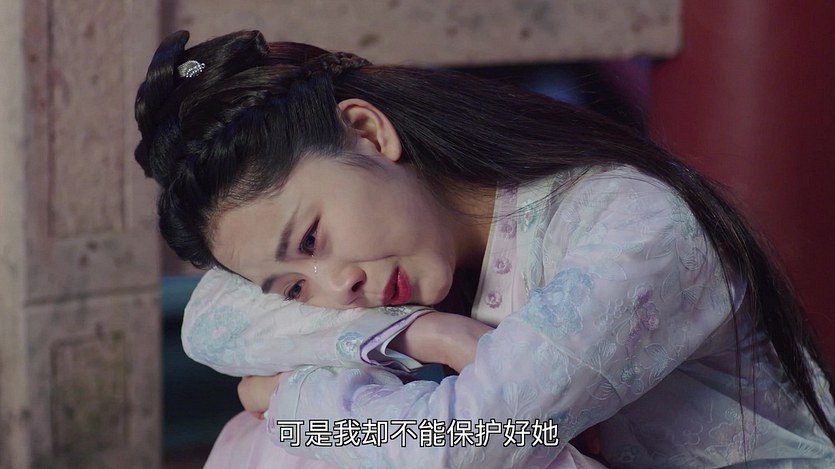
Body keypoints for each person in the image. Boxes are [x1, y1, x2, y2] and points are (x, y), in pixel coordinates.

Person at [135, 30, 835, 467]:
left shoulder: (631, 224)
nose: (334, 286)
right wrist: (421, 333)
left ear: (369, 133)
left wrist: (287, 400)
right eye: (294, 288)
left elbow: (459, 448)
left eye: (312, 239)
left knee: (287, 441)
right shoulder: (405, 269)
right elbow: (209, 320)